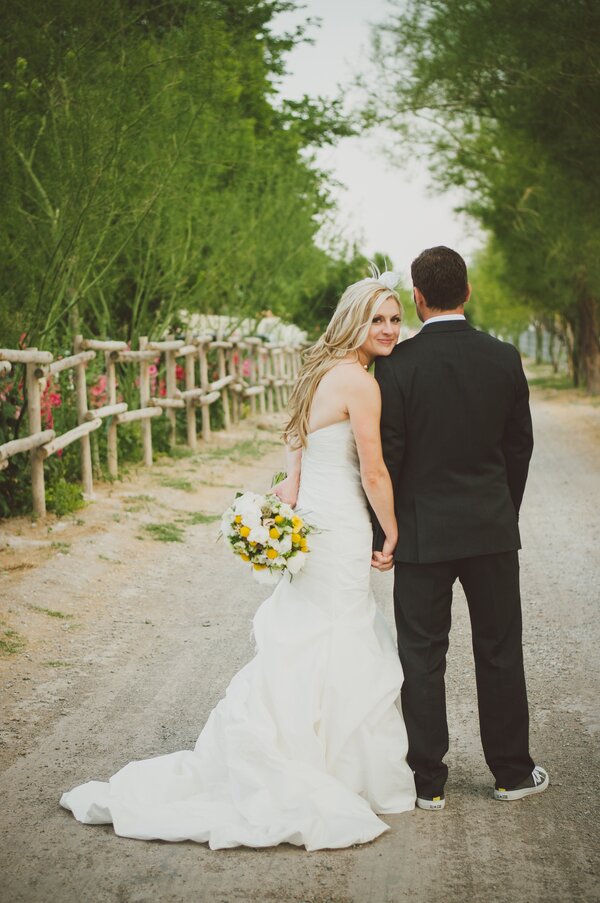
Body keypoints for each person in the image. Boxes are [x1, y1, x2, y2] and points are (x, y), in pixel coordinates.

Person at [60, 273, 416, 851]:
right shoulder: (359, 382)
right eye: (378, 318)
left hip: (315, 526)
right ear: (354, 320)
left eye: (396, 319)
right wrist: (394, 531)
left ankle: (308, 757)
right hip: (344, 524)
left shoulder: (317, 374)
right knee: (340, 637)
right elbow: (373, 472)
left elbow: (294, 471)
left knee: (312, 637)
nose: (390, 329)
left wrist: (292, 506)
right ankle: (326, 770)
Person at [371, 245, 548, 810]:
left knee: (421, 655)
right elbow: (519, 445)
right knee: (499, 649)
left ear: (418, 299)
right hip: (491, 530)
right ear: (466, 292)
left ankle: (428, 783)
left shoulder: (396, 366)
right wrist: (502, 507)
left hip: (422, 535)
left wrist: (387, 532)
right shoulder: (504, 358)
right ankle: (512, 774)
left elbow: (389, 457)